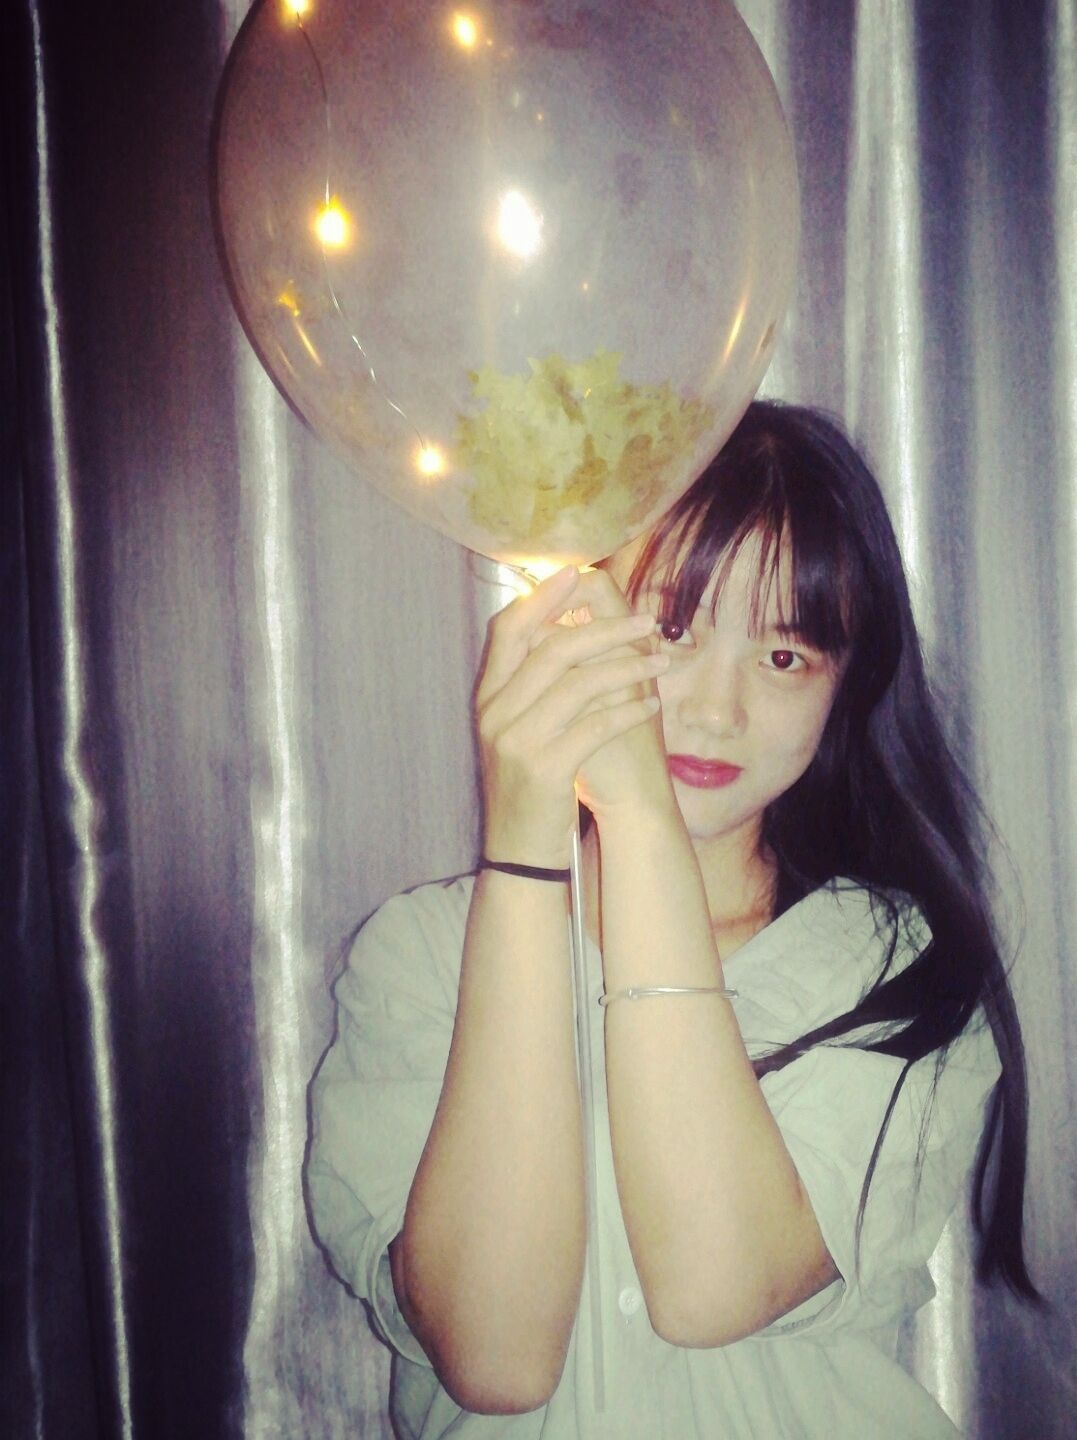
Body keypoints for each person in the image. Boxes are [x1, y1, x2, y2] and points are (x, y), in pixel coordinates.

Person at [306, 401, 1038, 1438]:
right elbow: (492, 1357)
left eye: (783, 658)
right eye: (670, 631)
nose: (713, 710)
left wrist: (642, 819)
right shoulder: (421, 957)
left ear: (844, 691)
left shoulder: (892, 963)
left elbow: (712, 1285)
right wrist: (524, 838)